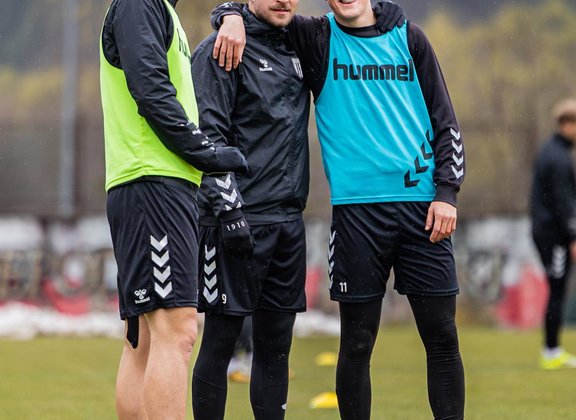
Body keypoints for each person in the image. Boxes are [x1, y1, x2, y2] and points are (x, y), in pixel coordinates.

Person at [214, 0, 466, 418]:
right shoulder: (316, 37)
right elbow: (262, 11)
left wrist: (447, 192)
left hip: (424, 211)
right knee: (357, 343)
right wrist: (229, 15)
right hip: (356, 216)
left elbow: (447, 123)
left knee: (442, 338)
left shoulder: (410, 38)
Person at [190, 1, 404, 419]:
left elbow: (355, 19)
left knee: (276, 348)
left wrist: (387, 12)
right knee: (220, 341)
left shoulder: (300, 44)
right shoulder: (223, 47)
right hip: (235, 218)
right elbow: (206, 135)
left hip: (288, 223)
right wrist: (228, 209)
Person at [99, 0, 248, 418]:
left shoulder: (161, 9)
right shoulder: (140, 4)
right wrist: (207, 153)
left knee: (144, 341)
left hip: (157, 184)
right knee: (176, 332)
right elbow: (151, 92)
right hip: (152, 184)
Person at [530, 98, 576, 370]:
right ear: (567, 124)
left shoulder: (553, 151)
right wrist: (573, 237)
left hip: (550, 232)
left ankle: (552, 348)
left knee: (557, 288)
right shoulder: (557, 157)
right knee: (557, 289)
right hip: (553, 235)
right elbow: (563, 203)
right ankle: (551, 351)